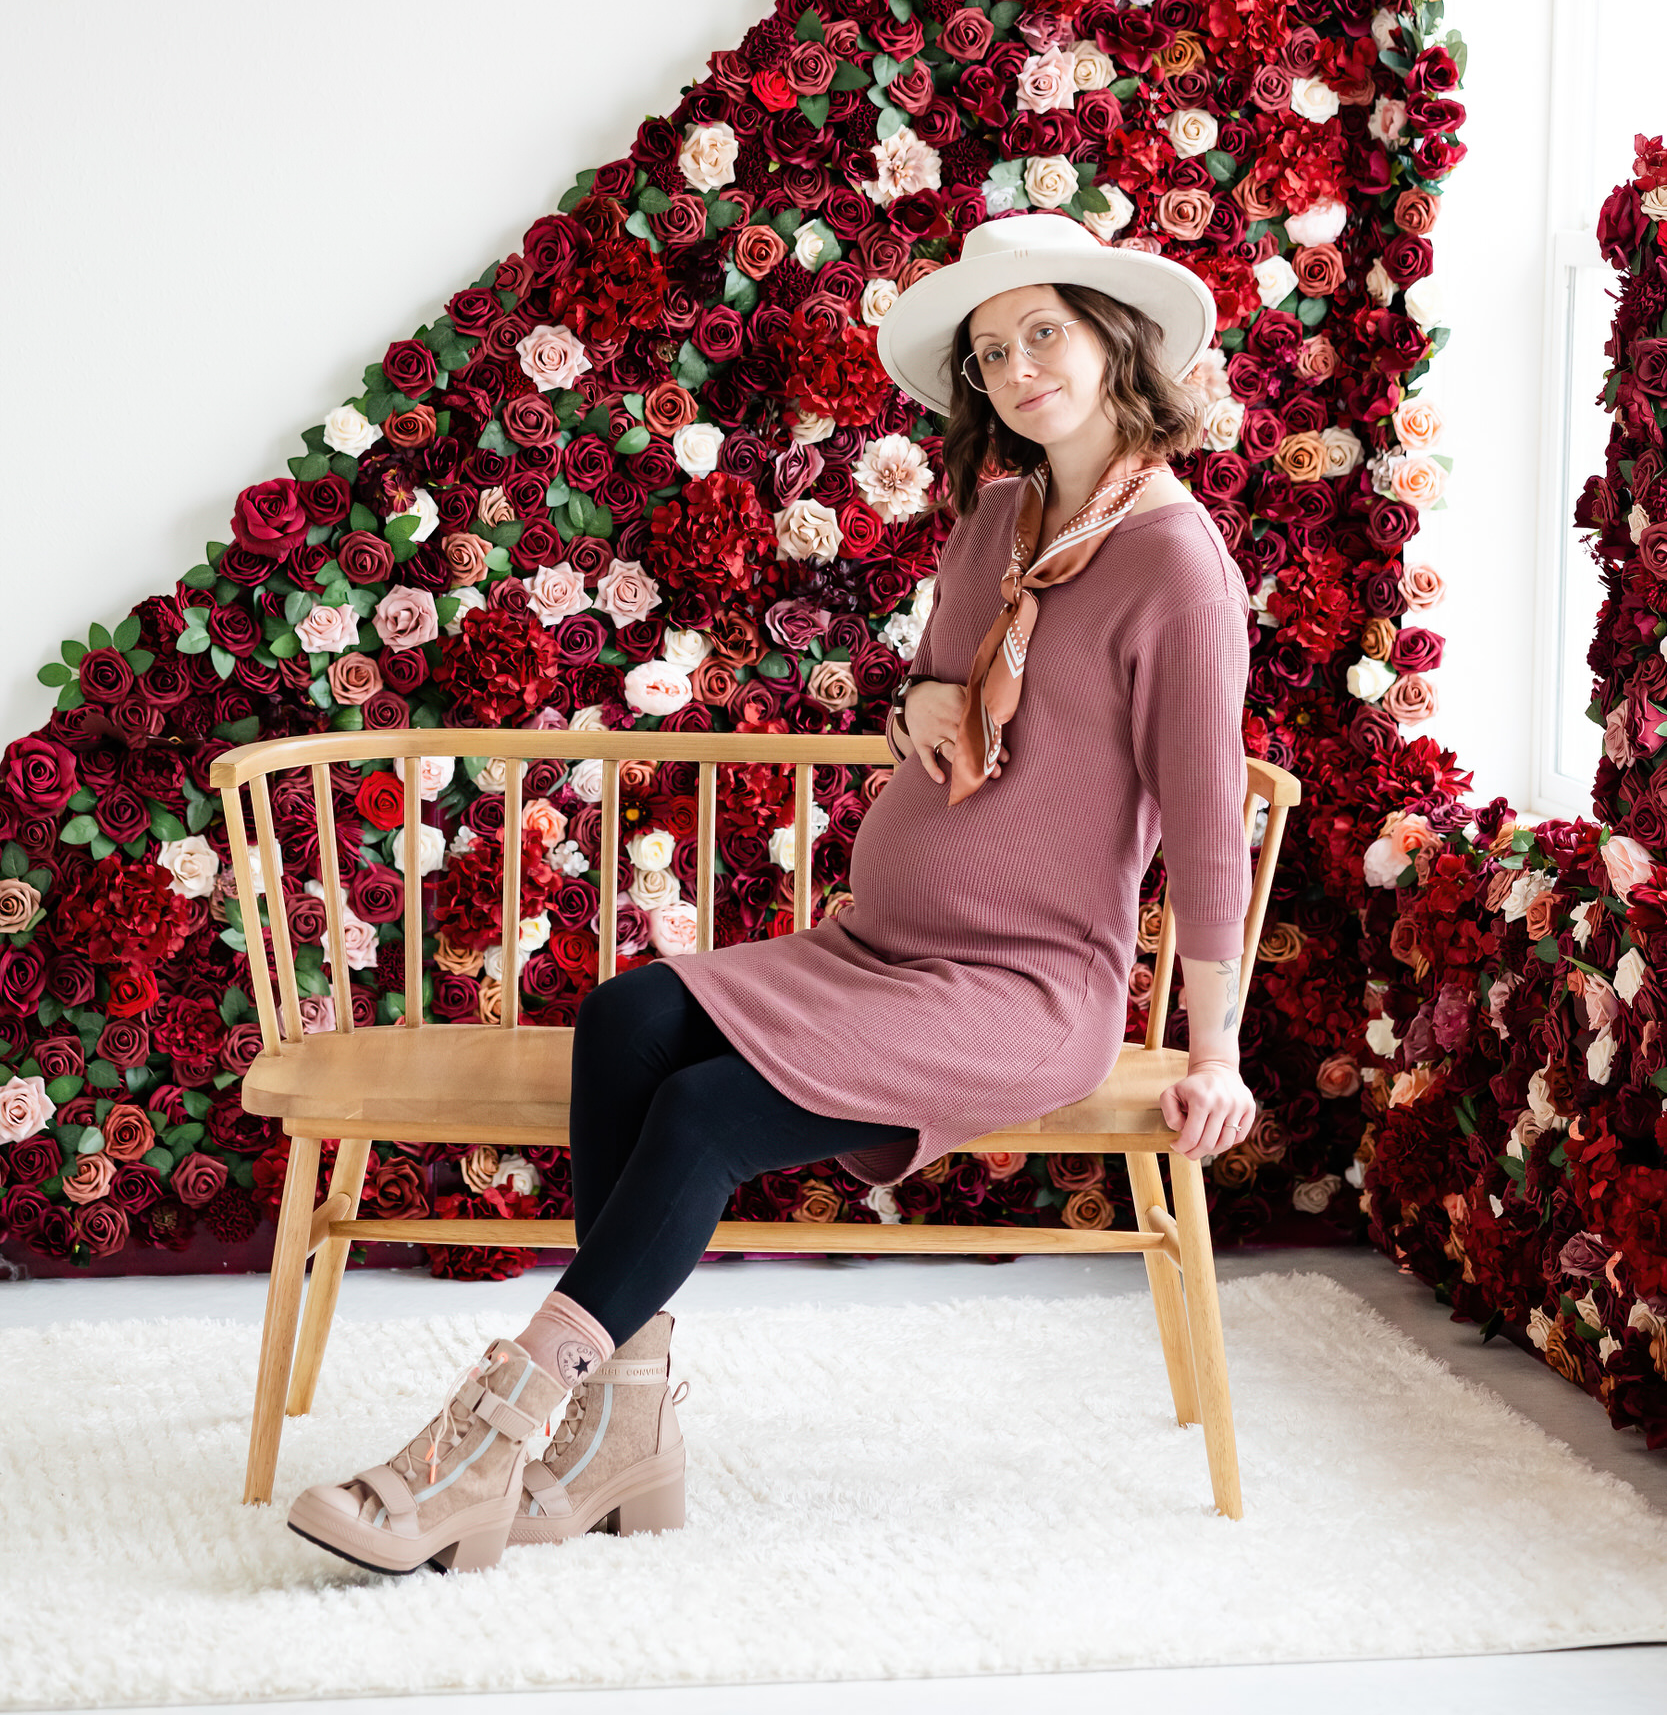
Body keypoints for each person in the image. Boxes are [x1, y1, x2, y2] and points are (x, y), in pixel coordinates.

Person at [287, 210, 1257, 1576]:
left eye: (1047, 330)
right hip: (876, 947)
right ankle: (630, 1435)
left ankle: (499, 1430)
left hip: (1024, 988)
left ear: (1114, 341)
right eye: (991, 350)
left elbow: (1208, 824)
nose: (1021, 365)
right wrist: (923, 696)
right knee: (628, 1017)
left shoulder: (1174, 563)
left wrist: (1216, 1052)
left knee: (703, 1112)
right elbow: (941, 678)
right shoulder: (1000, 517)